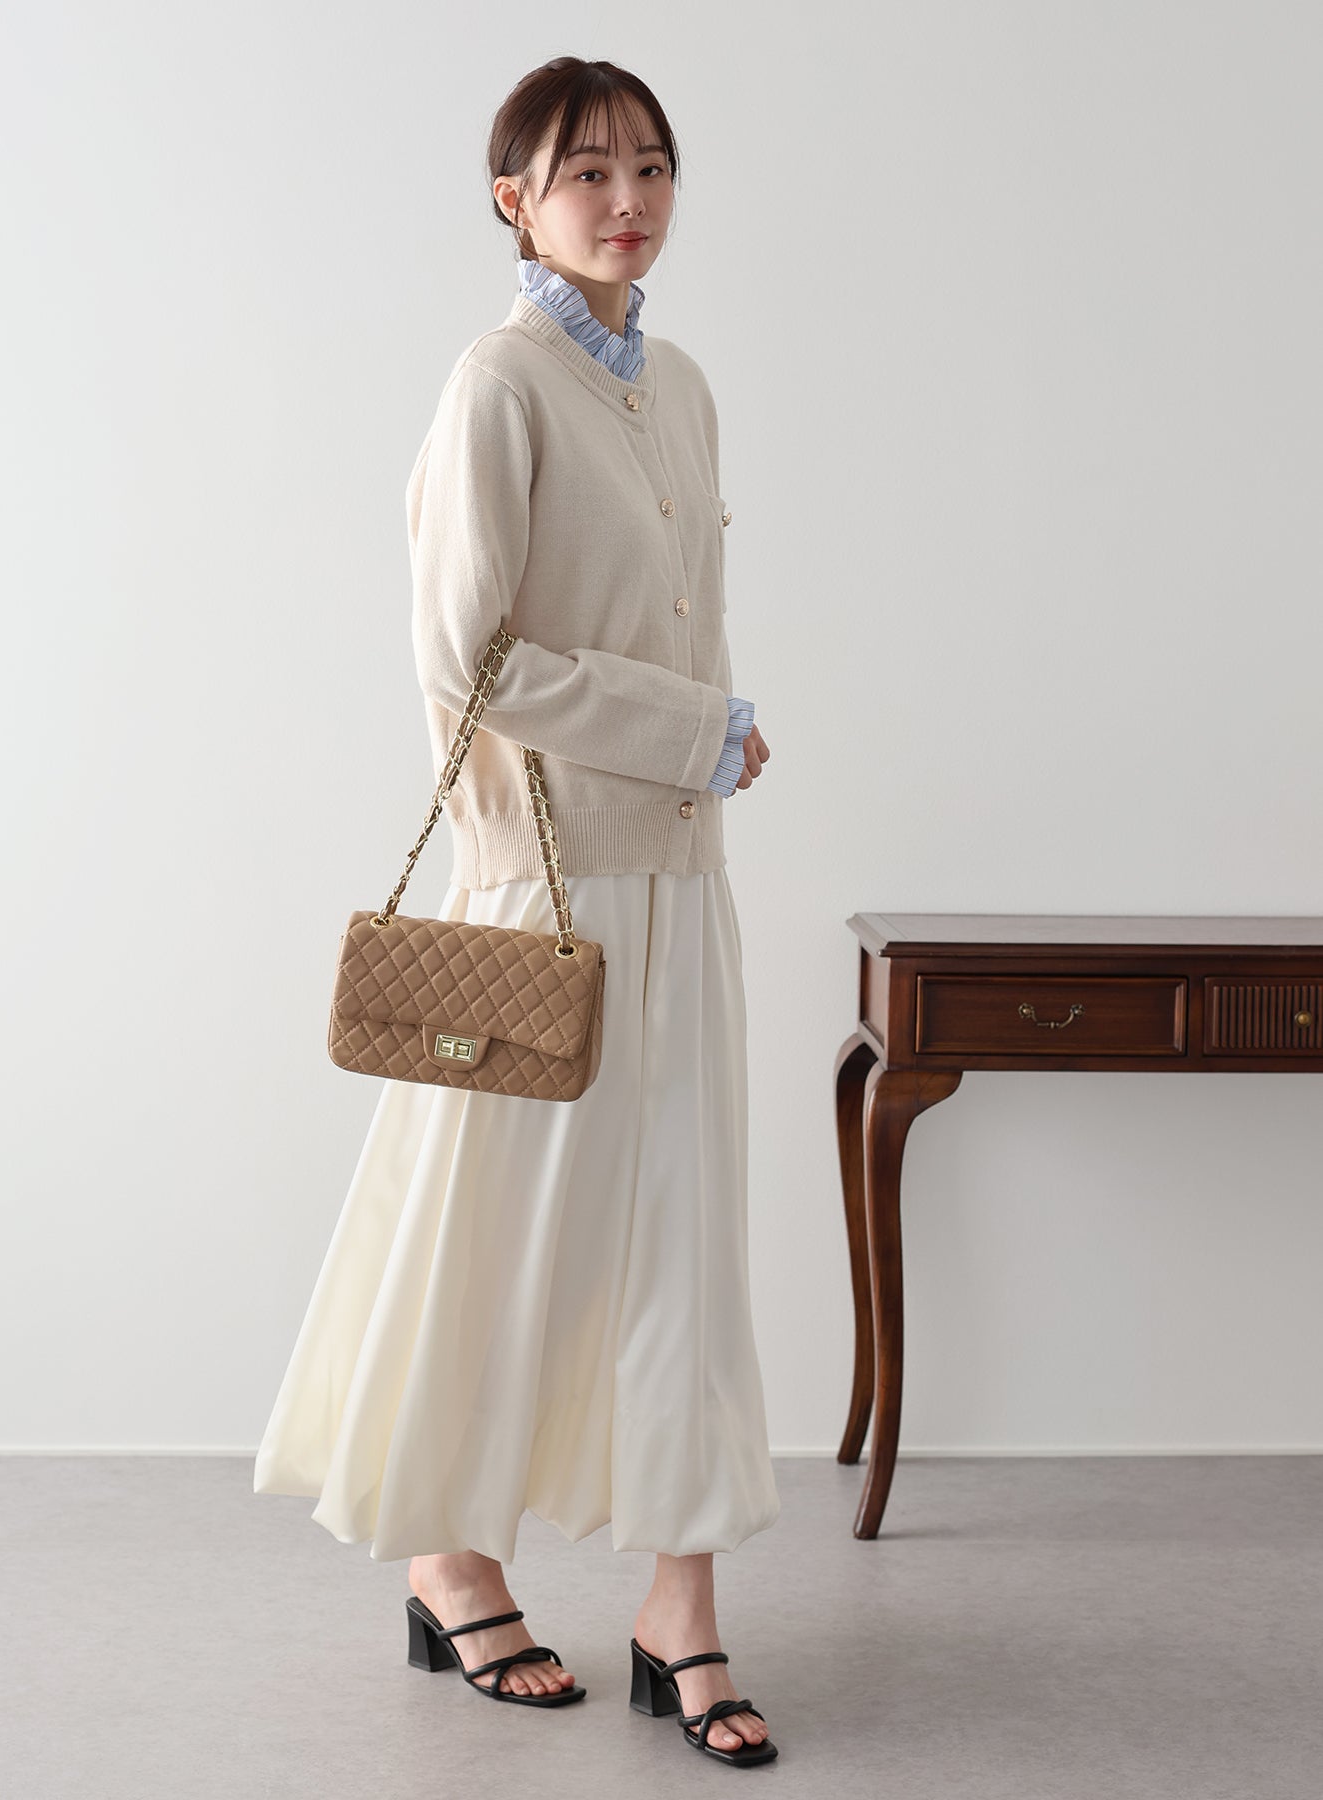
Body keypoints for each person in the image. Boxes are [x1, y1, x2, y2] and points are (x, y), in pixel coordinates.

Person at [254, 56, 780, 1768]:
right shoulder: (498, 384)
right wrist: (693, 727)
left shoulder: (681, 386)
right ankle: (450, 1559)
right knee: (493, 1247)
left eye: (651, 166)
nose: (627, 199)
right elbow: (468, 658)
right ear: (515, 201)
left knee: (688, 1252)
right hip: (540, 900)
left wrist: (705, 749)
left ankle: (681, 1606)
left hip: (681, 880)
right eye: (586, 172)